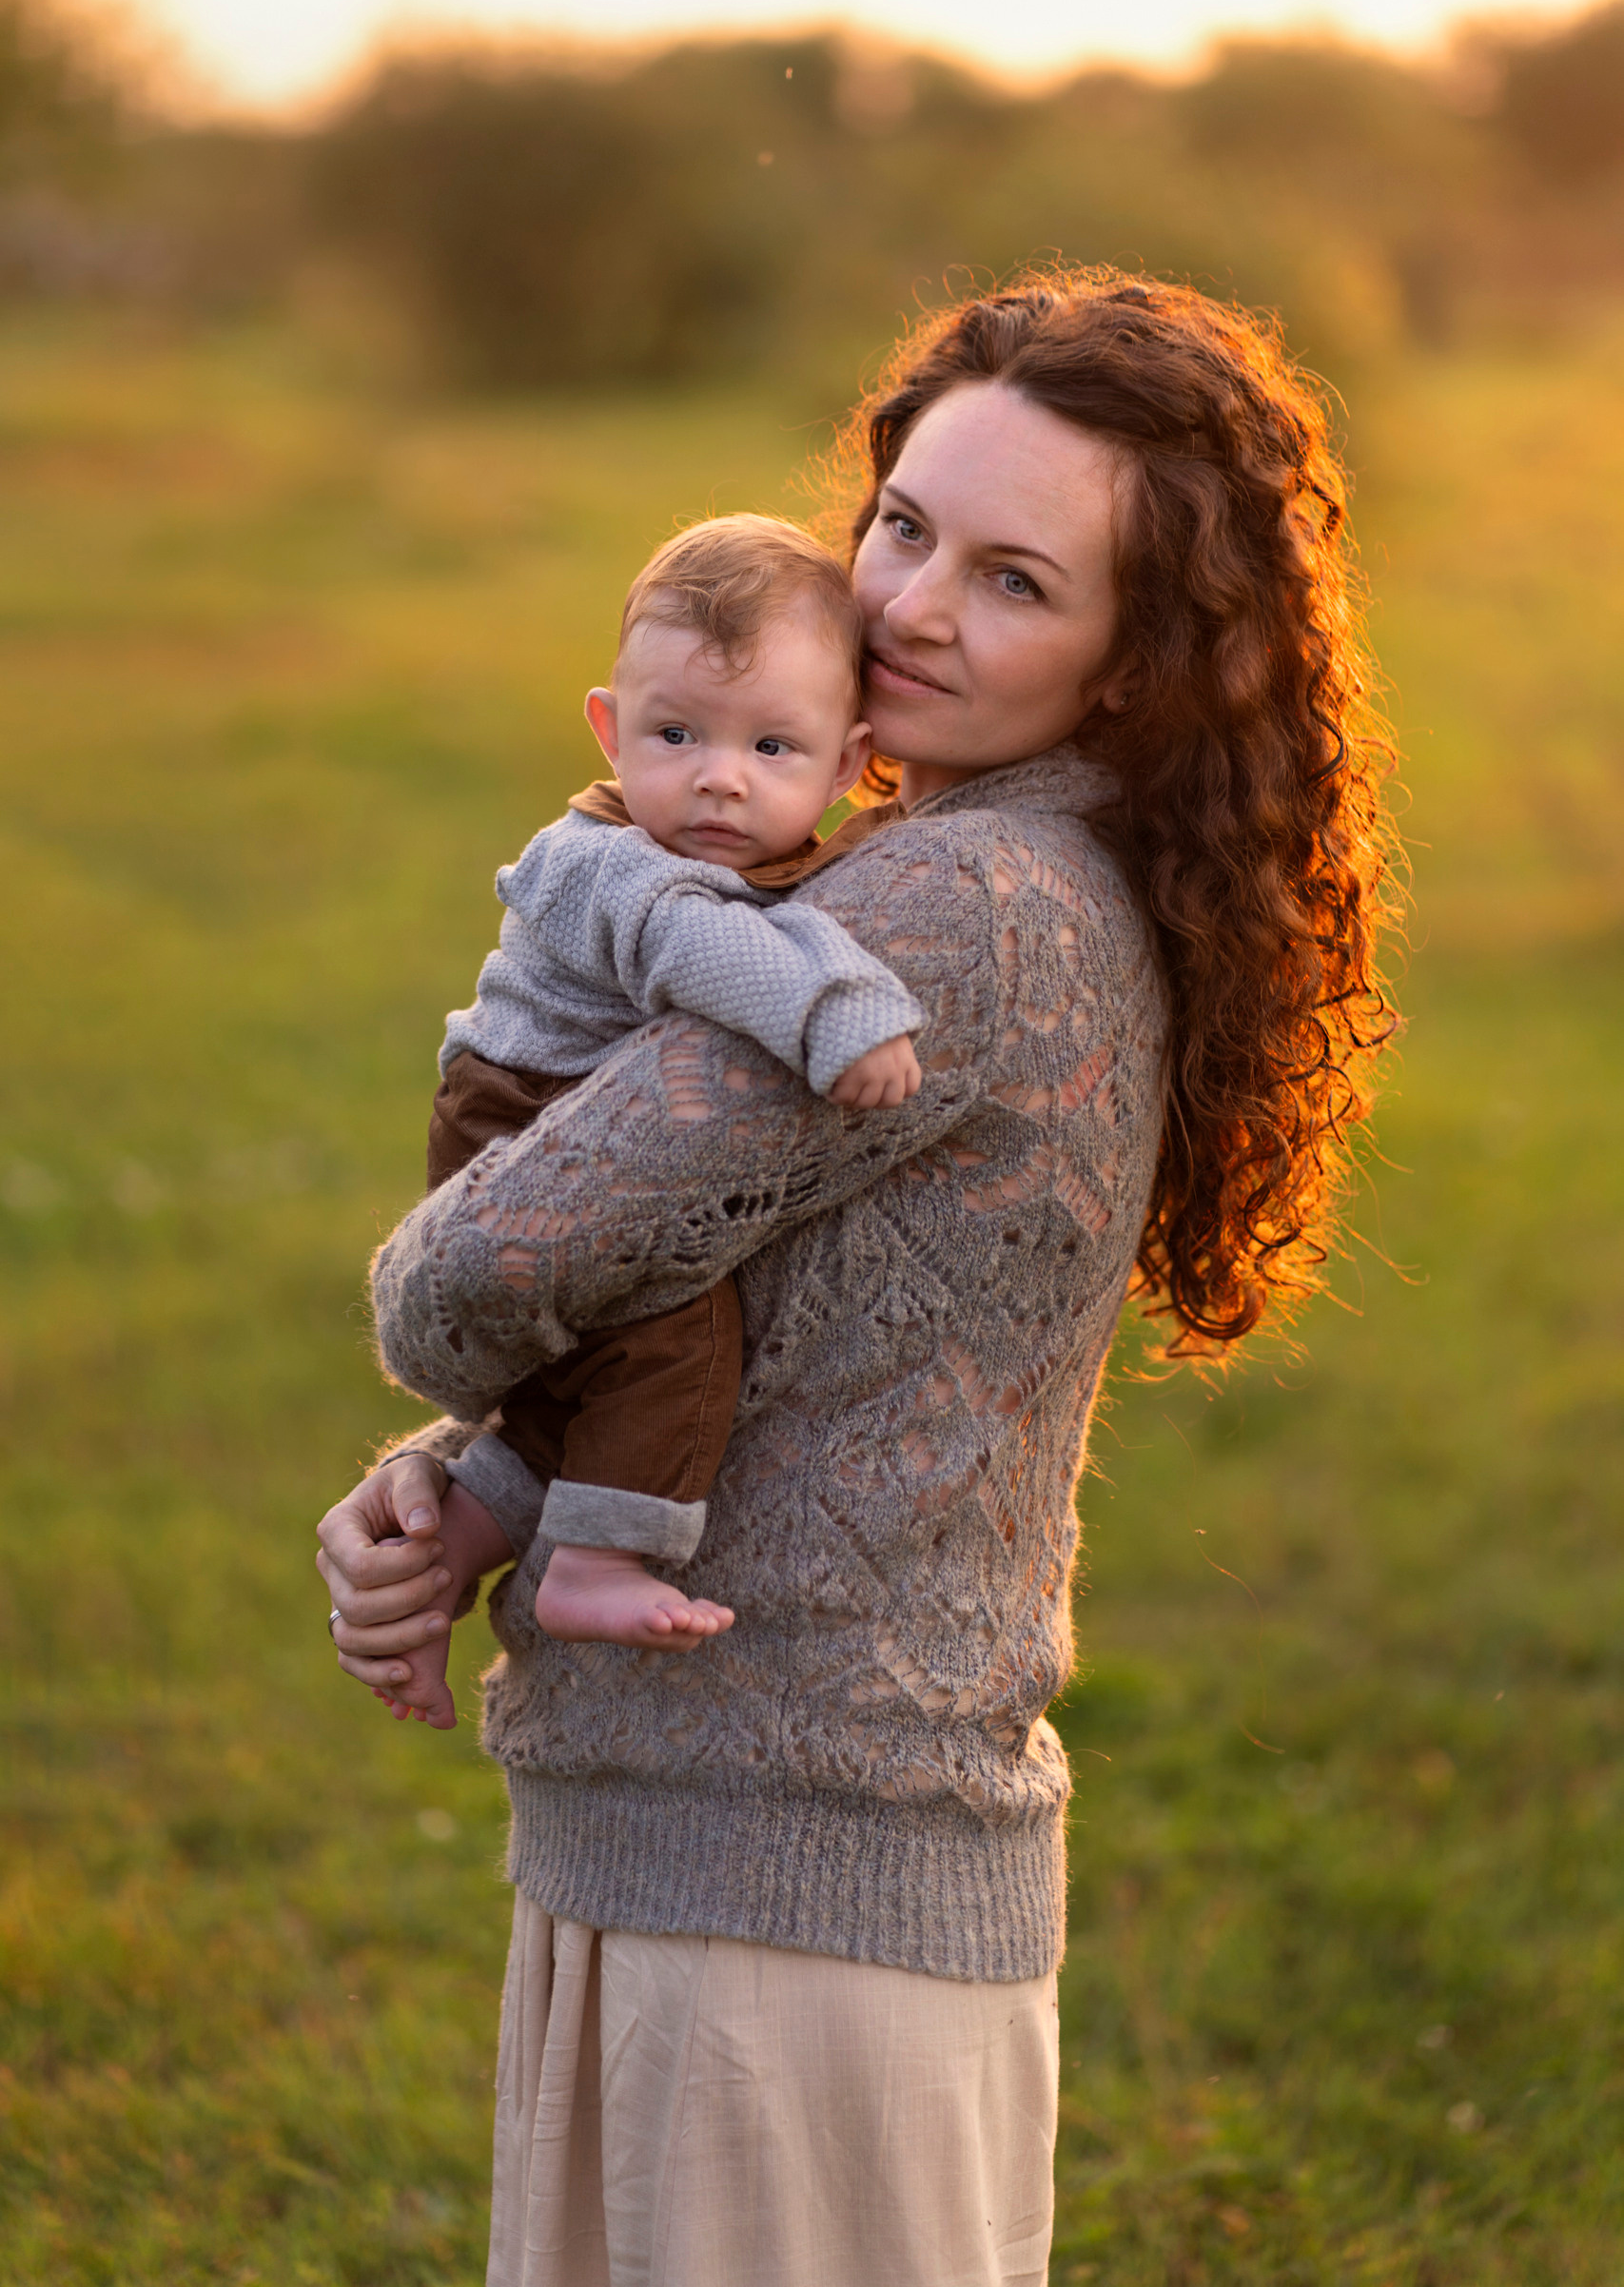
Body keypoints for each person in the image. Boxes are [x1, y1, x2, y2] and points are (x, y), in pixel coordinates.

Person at [317, 268, 1399, 2287]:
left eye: (1012, 581)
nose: (906, 604)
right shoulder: (1027, 866)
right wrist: (477, 1490)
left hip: (772, 1915)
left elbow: (464, 1278)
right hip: (806, 1867)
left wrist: (467, 1415)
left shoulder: (945, 901)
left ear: (1131, 660)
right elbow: (791, 1352)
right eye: (901, 523)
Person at [398, 512, 927, 1699]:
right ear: (608, 727)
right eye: (675, 732)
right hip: (520, 1112)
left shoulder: (729, 837)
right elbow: (703, 947)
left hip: (556, 1110)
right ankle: (593, 1558)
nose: (718, 777)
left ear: (847, 766)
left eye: (773, 749)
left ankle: (441, 1563)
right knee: (677, 1333)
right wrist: (835, 1017)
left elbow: (785, 905)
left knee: (568, 1395)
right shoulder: (614, 861)